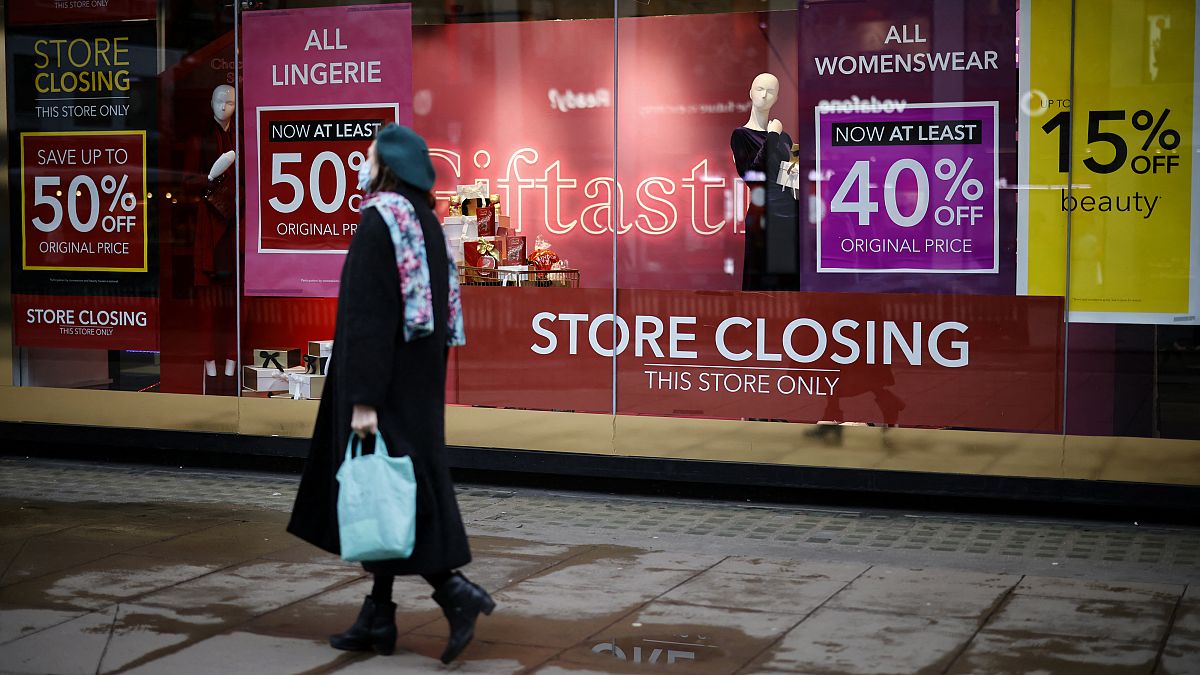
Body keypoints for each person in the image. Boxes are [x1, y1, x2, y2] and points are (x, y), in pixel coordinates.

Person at [287, 124, 494, 664]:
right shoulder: (424, 220)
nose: (363, 165)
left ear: (388, 166)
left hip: (381, 380)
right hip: (416, 379)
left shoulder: (382, 220)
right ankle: (377, 614)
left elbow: (368, 315)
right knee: (389, 487)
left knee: (394, 490)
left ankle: (455, 593)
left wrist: (363, 398)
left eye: (370, 157)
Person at [730, 72, 800, 291]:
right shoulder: (741, 135)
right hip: (764, 216)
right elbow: (751, 176)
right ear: (750, 93)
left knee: (788, 285)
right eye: (760, 89)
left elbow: (789, 178)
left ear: (777, 97)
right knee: (762, 284)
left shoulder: (784, 138)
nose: (764, 95)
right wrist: (772, 137)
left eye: (770, 91)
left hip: (790, 216)